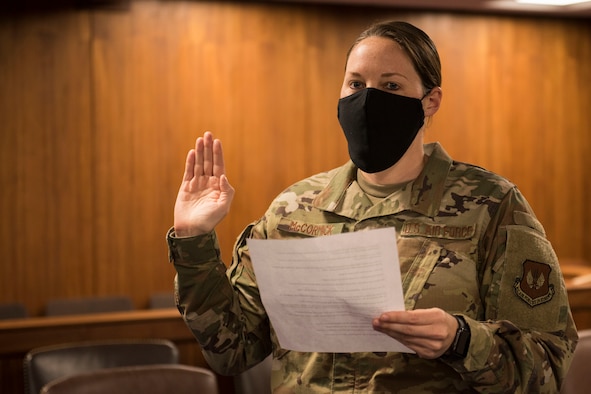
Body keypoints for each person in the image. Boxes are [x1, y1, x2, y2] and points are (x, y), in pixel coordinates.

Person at [167, 20, 578, 393]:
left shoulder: (493, 205)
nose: (368, 101)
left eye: (391, 86)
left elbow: (548, 365)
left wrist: (461, 339)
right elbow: (231, 350)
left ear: (430, 101)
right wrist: (194, 240)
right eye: (356, 85)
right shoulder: (293, 209)